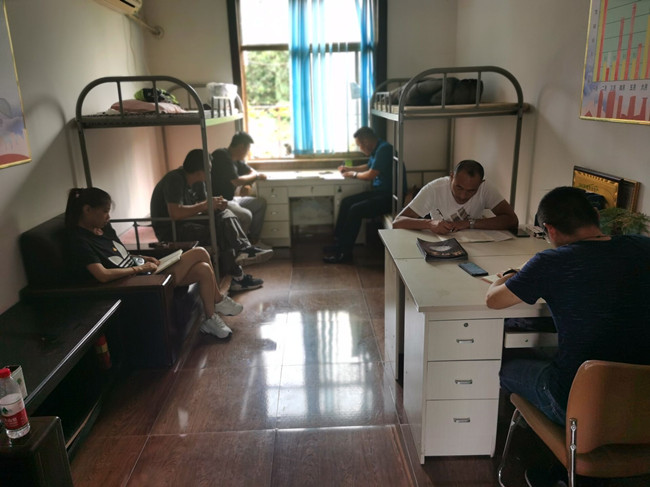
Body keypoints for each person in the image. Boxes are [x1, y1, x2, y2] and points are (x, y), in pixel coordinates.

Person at [486, 186, 650, 427]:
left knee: (506, 367)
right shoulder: (643, 246)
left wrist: (511, 274)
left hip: (577, 405)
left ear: (550, 229)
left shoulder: (550, 262)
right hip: (641, 406)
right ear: (596, 215)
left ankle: (533, 435)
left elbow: (493, 300)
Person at [65, 187, 241, 339]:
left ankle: (210, 319)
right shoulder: (79, 241)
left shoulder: (103, 229)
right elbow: (102, 275)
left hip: (143, 273)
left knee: (203, 269)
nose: (108, 217)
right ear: (87, 210)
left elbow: (119, 255)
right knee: (200, 252)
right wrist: (139, 267)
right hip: (136, 284)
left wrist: (142, 257)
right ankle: (218, 299)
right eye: (105, 211)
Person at [150, 149, 272, 292]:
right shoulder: (175, 180)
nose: (210, 173)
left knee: (224, 215)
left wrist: (216, 205)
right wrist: (206, 205)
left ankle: (243, 252)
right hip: (171, 230)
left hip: (188, 222)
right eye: (208, 169)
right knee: (221, 232)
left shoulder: (199, 183)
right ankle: (238, 273)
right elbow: (175, 213)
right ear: (199, 171)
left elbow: (204, 208)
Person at [323, 126, 394, 263]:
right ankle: (338, 244)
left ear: (366, 141)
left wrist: (353, 174)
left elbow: (370, 174)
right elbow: (368, 166)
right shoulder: (378, 148)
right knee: (346, 202)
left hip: (389, 197)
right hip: (379, 192)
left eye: (359, 145)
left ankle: (345, 254)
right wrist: (349, 169)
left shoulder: (384, 149)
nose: (360, 148)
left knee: (355, 210)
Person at [392, 159, 518, 233]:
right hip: (441, 244)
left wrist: (469, 223)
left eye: (471, 191)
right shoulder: (434, 189)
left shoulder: (486, 188)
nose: (463, 196)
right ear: (451, 177)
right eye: (459, 187)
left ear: (480, 183)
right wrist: (430, 223)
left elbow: (512, 220)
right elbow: (397, 222)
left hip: (475, 244)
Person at [210, 132, 269, 247]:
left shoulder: (236, 160)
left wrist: (248, 184)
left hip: (232, 199)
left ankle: (254, 241)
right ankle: (241, 247)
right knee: (246, 215)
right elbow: (236, 181)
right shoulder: (221, 155)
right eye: (248, 149)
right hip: (220, 201)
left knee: (260, 203)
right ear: (242, 146)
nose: (248, 152)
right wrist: (255, 177)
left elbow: (251, 172)